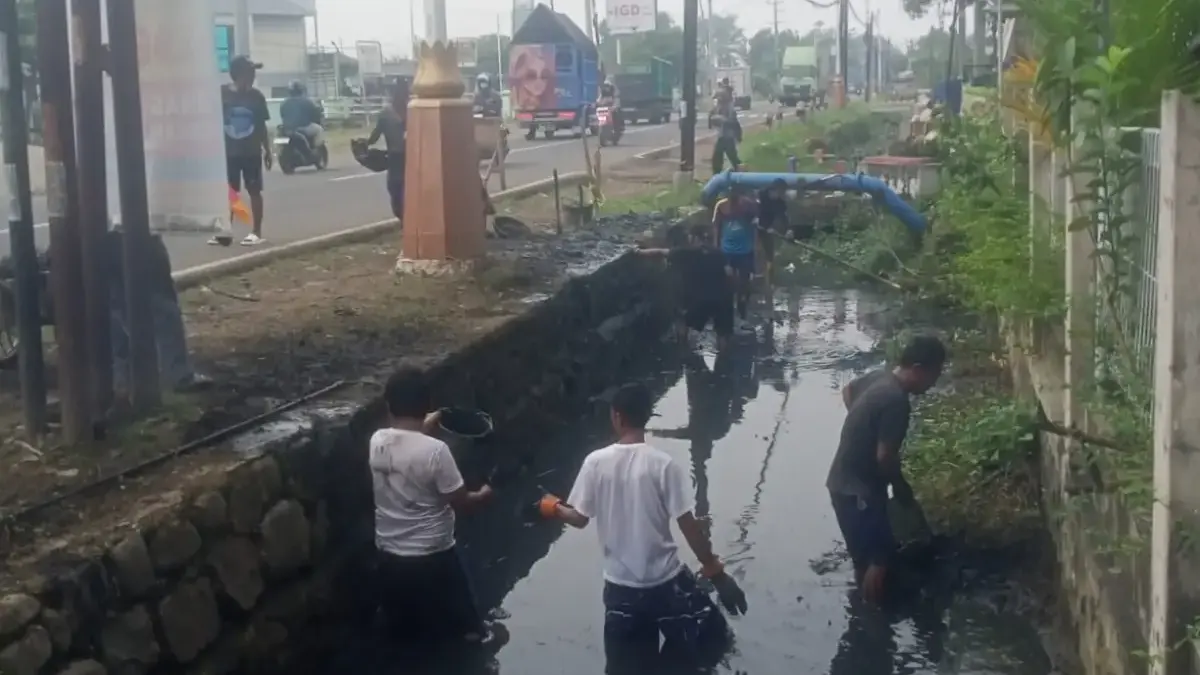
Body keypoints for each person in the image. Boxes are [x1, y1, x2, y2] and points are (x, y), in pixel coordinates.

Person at [537, 382, 748, 671]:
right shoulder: (663, 465)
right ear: (647, 416)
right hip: (667, 586)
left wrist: (551, 506)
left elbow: (579, 518)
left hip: (621, 591)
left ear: (617, 416)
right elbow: (689, 528)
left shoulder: (595, 463)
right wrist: (716, 573)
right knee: (713, 638)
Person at [369, 368, 502, 646]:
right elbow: (462, 502)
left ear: (388, 406)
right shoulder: (436, 452)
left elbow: (406, 441)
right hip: (434, 557)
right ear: (427, 403)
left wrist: (432, 420)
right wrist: (485, 494)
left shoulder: (377, 441)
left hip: (390, 557)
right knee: (472, 632)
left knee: (403, 631)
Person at [826, 335, 946, 605]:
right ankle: (874, 619)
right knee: (880, 560)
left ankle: (860, 607)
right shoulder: (896, 401)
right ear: (918, 369)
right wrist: (901, 488)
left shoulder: (879, 378)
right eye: (934, 375)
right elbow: (885, 457)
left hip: (840, 483)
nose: (934, 383)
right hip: (860, 492)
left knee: (862, 558)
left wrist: (863, 426)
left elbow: (848, 391)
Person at [636, 223, 734, 350]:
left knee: (681, 318)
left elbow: (660, 252)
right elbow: (729, 273)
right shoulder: (718, 253)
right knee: (722, 333)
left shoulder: (684, 252)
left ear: (694, 237)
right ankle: (724, 358)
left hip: (698, 299)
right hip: (722, 298)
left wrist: (638, 251)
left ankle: (682, 348)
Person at [214, 55, 272, 247]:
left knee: (254, 191)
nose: (253, 76)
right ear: (238, 74)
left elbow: (262, 126)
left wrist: (267, 150)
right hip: (228, 152)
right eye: (250, 72)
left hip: (251, 152)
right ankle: (225, 231)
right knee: (229, 192)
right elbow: (213, 121)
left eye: (253, 72)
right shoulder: (222, 94)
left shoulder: (257, 97)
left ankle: (256, 231)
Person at [713, 186, 758, 332]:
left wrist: (756, 247)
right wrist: (716, 249)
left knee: (744, 285)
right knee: (727, 284)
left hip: (745, 251)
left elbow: (757, 224)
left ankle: (742, 315)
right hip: (727, 251)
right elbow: (716, 227)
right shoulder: (721, 206)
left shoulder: (749, 205)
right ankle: (728, 316)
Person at [366, 84, 409, 222]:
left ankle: (404, 216)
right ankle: (404, 216)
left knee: (395, 188)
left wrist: (367, 143)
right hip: (404, 158)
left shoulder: (388, 113)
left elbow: (375, 135)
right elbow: (375, 135)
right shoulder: (411, 112)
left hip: (399, 157)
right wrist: (366, 143)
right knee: (398, 188)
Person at [756, 178, 789, 282]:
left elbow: (784, 217)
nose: (782, 194)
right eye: (781, 192)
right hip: (755, 226)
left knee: (769, 253)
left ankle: (769, 277)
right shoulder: (761, 195)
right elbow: (754, 210)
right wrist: (758, 222)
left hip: (768, 229)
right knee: (756, 250)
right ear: (774, 190)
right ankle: (756, 273)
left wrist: (788, 230)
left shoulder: (780, 203)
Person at [279, 80, 324, 155]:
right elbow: (315, 111)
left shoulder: (284, 103)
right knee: (319, 129)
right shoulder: (306, 101)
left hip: (287, 129)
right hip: (303, 127)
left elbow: (282, 115)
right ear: (301, 90)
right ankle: (315, 151)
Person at [710, 86, 742, 174]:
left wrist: (723, 120)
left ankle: (741, 171)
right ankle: (717, 174)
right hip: (722, 135)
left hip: (728, 136)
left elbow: (734, 122)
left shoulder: (730, 108)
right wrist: (714, 119)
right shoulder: (718, 107)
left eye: (719, 99)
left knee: (730, 156)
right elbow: (712, 117)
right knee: (719, 157)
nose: (718, 101)